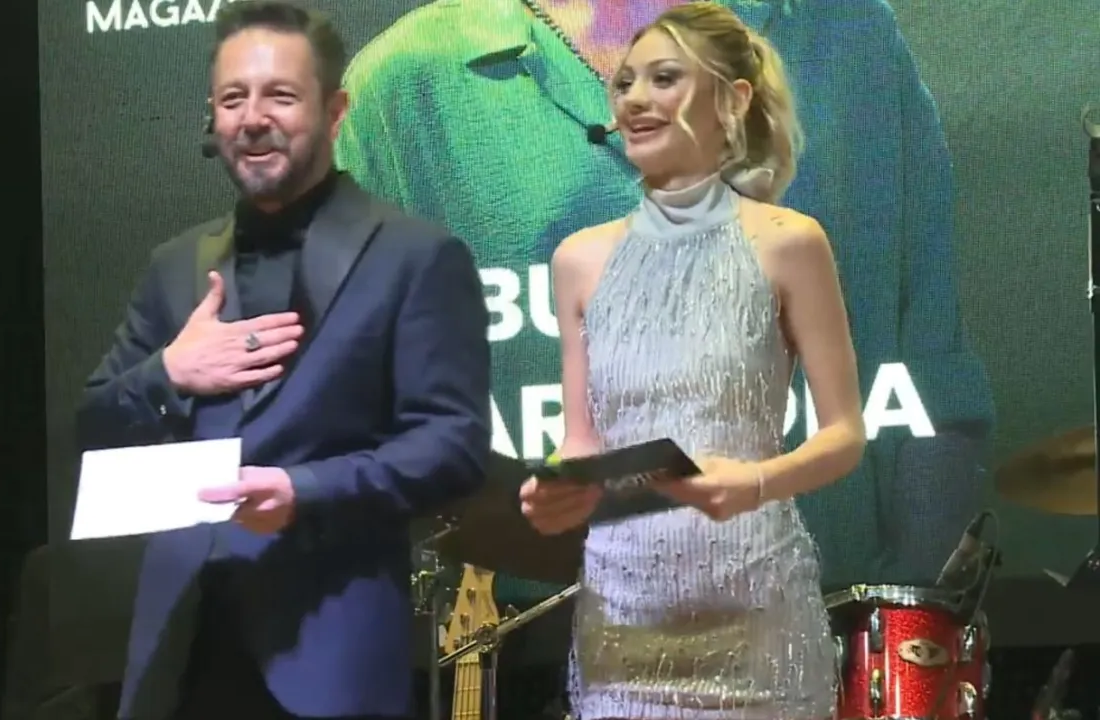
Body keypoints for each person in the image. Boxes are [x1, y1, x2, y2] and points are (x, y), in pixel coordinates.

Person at [335, 0, 993, 604]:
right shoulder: (406, 87)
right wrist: (568, 499)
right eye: (626, 88)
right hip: (581, 629)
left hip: (800, 618)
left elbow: (905, 399)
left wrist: (905, 623)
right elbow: (569, 446)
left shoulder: (843, 57)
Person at [75, 2, 491, 718]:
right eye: (233, 98)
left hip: (331, 653)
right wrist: (169, 373)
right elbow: (94, 426)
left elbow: (452, 445)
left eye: (281, 95)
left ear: (335, 112)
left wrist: (305, 490)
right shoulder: (174, 266)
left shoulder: (416, 257)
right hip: (181, 655)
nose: (252, 118)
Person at [517, 4, 865, 718]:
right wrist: (555, 488)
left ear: (732, 101)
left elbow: (844, 435)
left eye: (664, 78)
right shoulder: (578, 259)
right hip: (623, 623)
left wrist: (758, 480)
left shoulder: (789, 242)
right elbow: (583, 442)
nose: (635, 99)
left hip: (757, 616)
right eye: (625, 84)